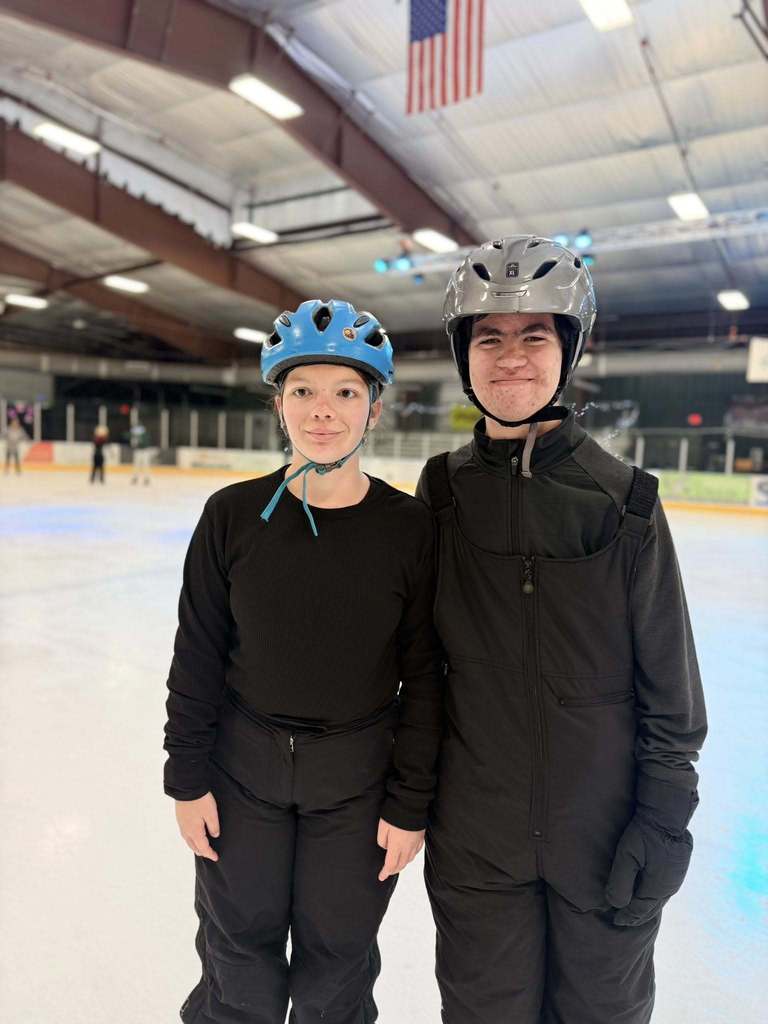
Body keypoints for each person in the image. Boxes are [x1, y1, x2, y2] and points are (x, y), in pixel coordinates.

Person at [416, 236, 707, 1023]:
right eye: (490, 337)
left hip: (605, 844)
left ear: (569, 348)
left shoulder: (625, 501)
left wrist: (663, 822)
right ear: (464, 354)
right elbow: (419, 664)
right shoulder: (440, 491)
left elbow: (672, 695)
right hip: (477, 842)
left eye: (534, 335)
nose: (511, 357)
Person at [163, 299, 442, 1024]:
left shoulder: (409, 528)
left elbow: (427, 676)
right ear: (279, 405)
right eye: (303, 391)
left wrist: (411, 801)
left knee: (336, 962)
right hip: (239, 772)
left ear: (374, 410)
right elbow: (196, 654)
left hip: (357, 784)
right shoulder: (230, 516)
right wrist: (186, 777)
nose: (324, 412)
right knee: (238, 957)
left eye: (346, 392)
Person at [129, 419, 151, 484]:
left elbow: (146, 442)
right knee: (136, 465)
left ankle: (146, 478)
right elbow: (133, 443)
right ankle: (135, 478)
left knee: (145, 465)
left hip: (145, 451)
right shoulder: (134, 435)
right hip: (138, 451)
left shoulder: (145, 434)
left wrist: (139, 441)